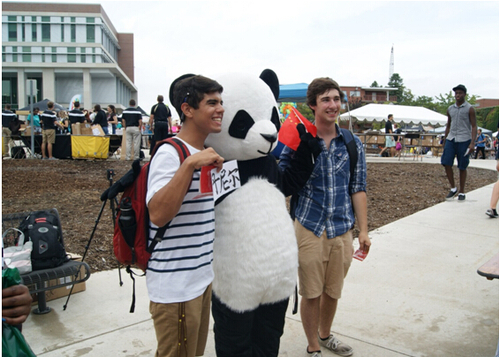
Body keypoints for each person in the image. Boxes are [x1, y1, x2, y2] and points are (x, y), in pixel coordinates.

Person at [279, 77, 371, 357]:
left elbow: (358, 187)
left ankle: (326, 334)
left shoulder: (352, 143)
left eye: (335, 99)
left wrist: (363, 231)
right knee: (312, 291)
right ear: (312, 106)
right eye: (325, 100)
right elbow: (282, 181)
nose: (332, 105)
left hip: (342, 229)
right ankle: (313, 346)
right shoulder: (299, 139)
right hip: (309, 226)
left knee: (333, 291)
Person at [146, 74, 224, 357]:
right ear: (187, 109)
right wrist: (190, 165)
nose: (221, 109)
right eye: (211, 102)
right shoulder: (172, 153)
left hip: (199, 280)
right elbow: (157, 214)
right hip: (175, 286)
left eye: (221, 102)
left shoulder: (202, 151)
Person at [441, 84, 477, 201]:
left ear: (464, 94)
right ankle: (453, 188)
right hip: (451, 138)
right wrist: (445, 140)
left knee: (462, 166)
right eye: (456, 93)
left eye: (460, 93)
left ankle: (462, 191)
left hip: (464, 139)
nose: (458, 95)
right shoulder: (450, 109)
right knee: (446, 162)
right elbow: (448, 125)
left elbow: (474, 126)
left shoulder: (469, 108)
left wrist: (472, 143)